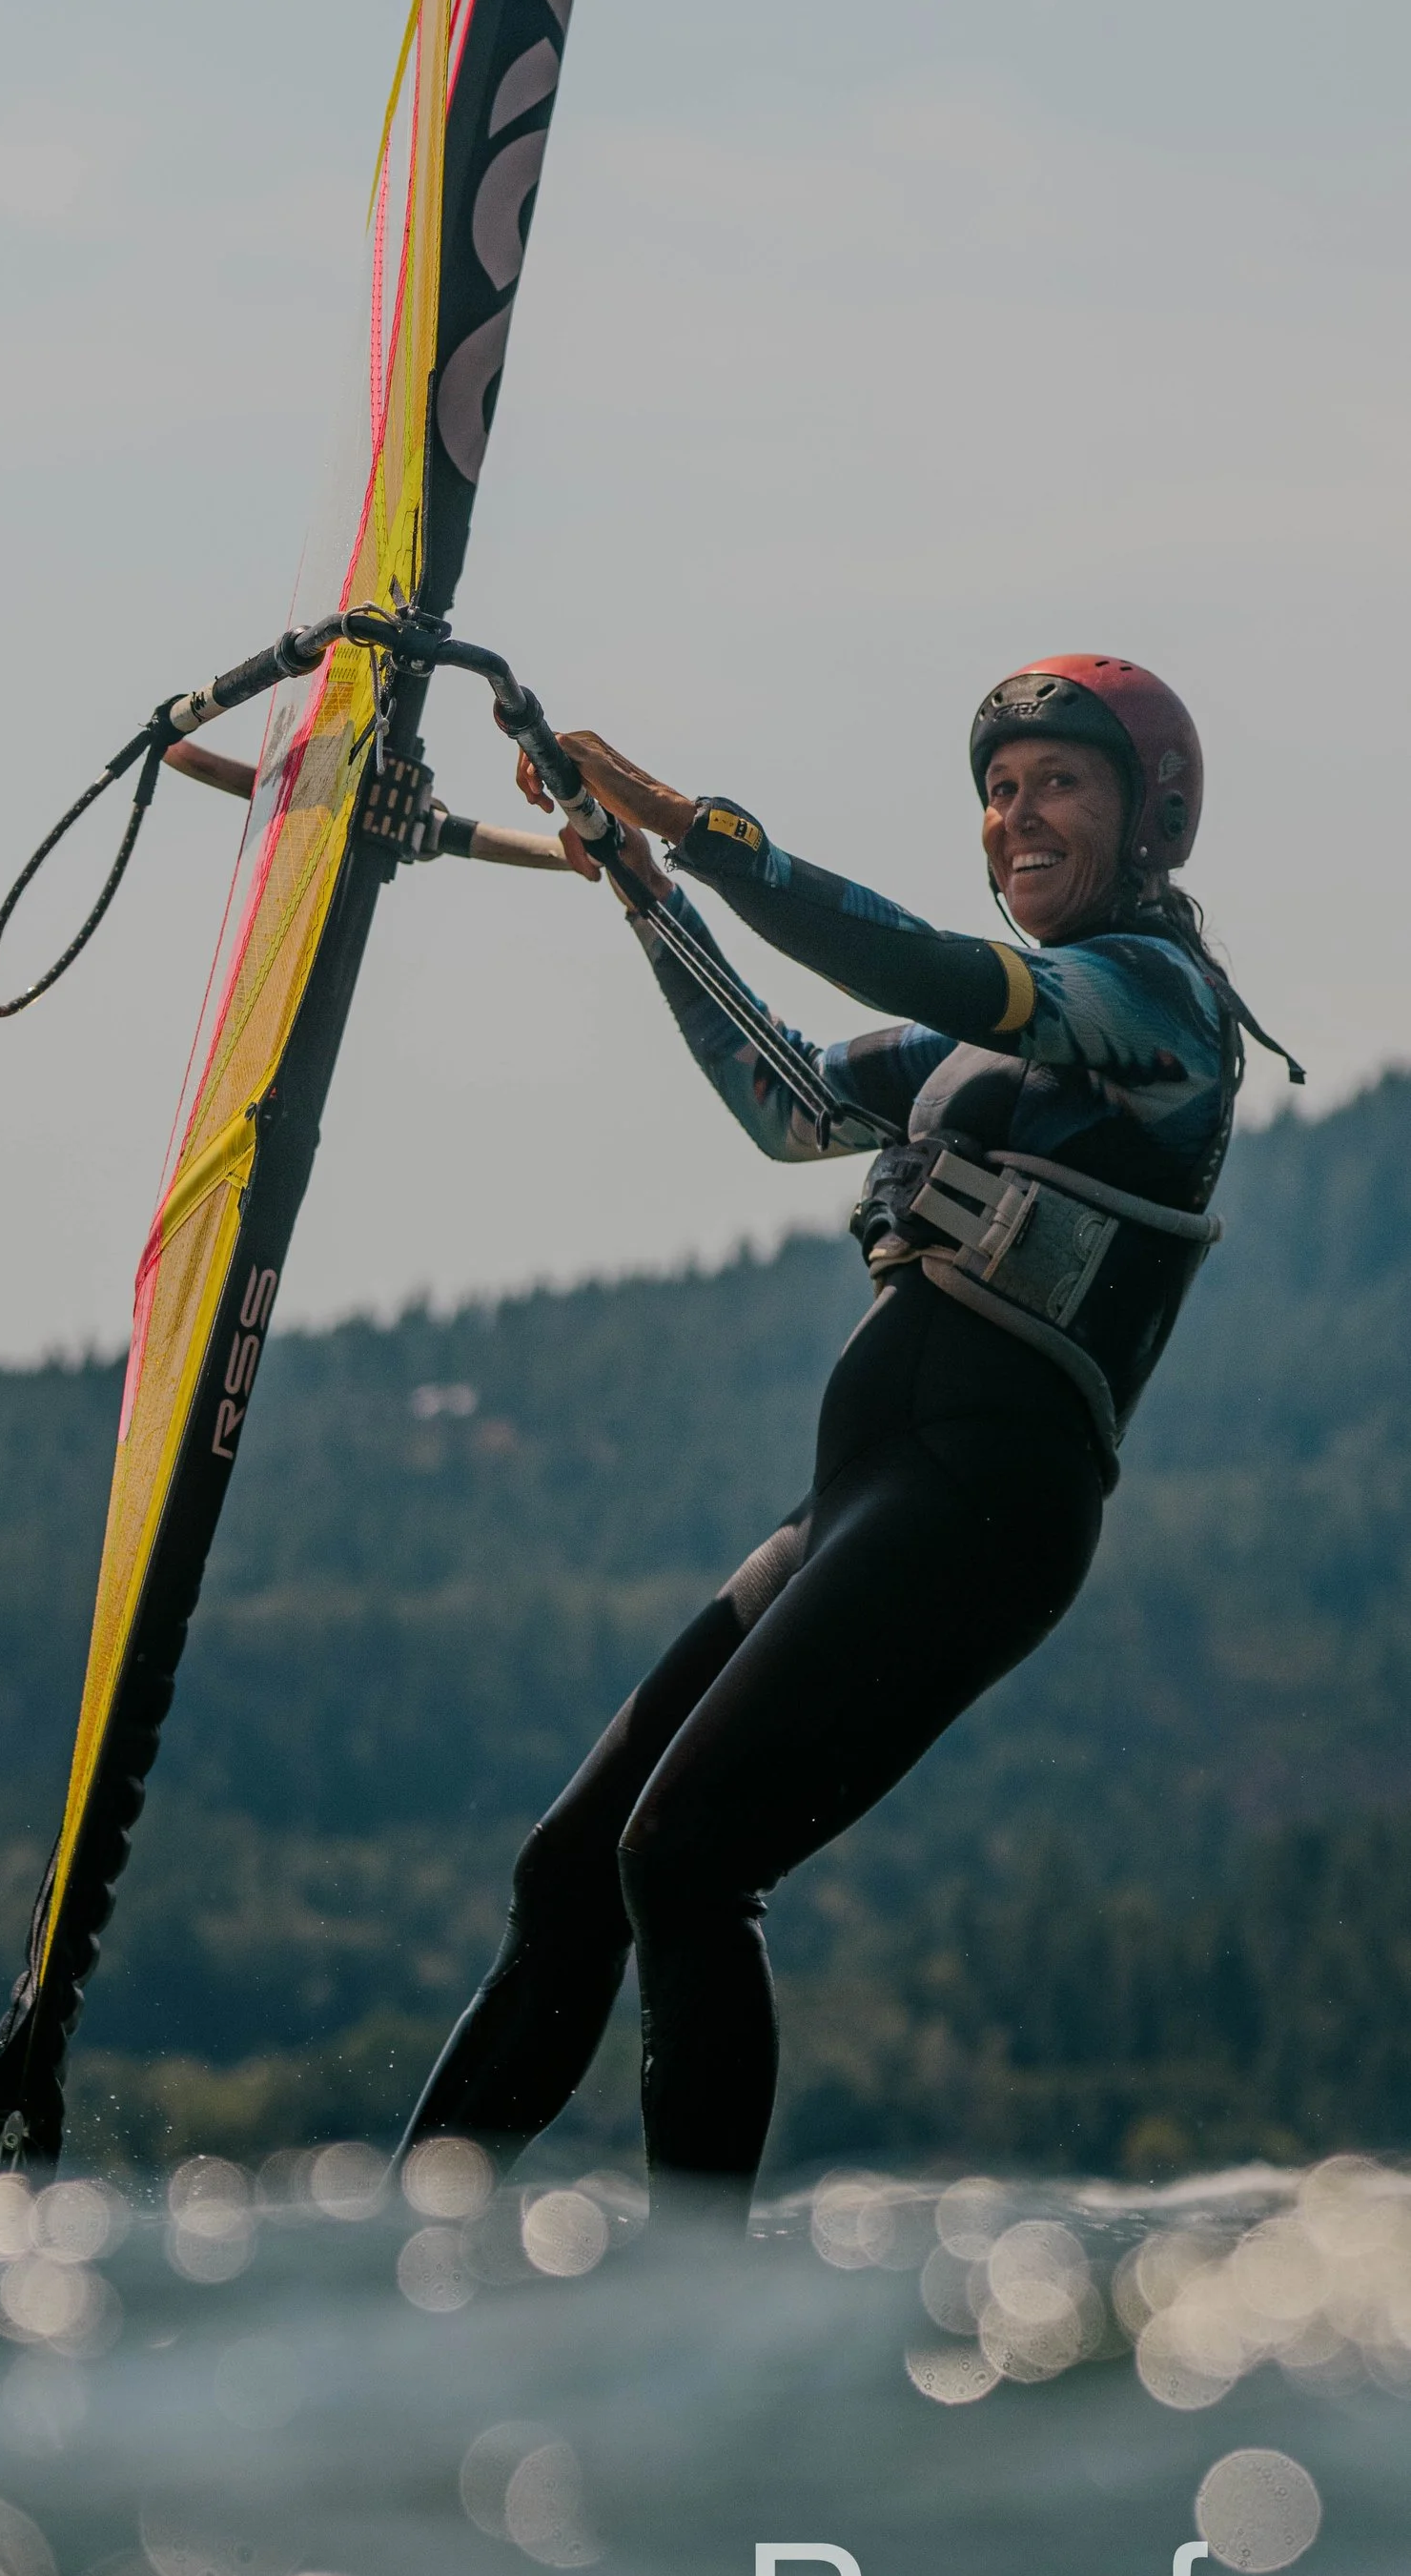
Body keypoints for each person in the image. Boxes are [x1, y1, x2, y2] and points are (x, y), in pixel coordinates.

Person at [398, 655, 1298, 2218]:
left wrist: (696, 829)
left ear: (1148, 818)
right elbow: (787, 1098)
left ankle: (693, 2294)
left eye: (1058, 785)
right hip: (861, 1496)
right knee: (573, 1869)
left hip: (987, 1502)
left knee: (686, 1860)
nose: (1018, 815)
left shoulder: (1159, 1006)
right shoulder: (972, 1057)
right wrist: (636, 885)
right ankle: (405, 2260)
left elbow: (936, 970)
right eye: (999, 792)